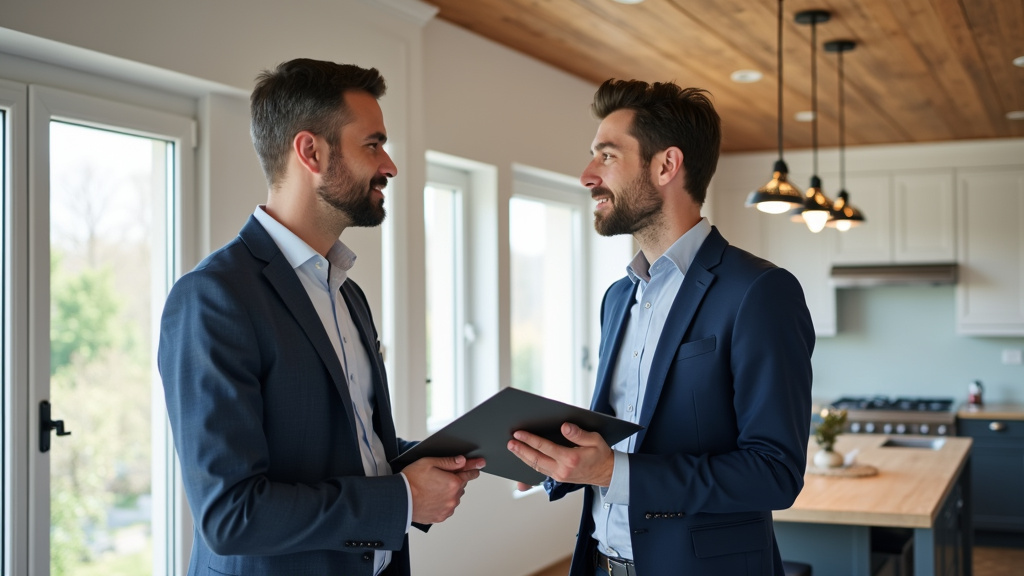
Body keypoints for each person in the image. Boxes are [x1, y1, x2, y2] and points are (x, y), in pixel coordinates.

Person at [159, 58, 484, 576]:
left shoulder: (347, 292)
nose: (390, 166)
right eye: (372, 145)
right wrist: (402, 499)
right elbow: (231, 516)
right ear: (310, 151)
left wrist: (449, 454)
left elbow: (350, 445)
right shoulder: (213, 297)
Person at [507, 79, 815, 575]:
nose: (587, 175)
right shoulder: (617, 297)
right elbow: (626, 433)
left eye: (606, 156)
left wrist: (614, 471)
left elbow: (774, 473)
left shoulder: (759, 292)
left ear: (666, 165)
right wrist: (557, 461)